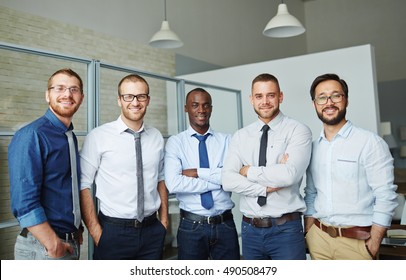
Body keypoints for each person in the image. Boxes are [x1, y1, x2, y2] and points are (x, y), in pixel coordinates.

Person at [304, 73, 398, 260]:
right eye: (322, 97)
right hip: (319, 240)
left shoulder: (370, 143)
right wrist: (309, 232)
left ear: (346, 100)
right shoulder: (313, 147)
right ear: (314, 104)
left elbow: (385, 195)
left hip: (357, 243)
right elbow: (311, 193)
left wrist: (372, 245)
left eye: (336, 95)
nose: (329, 102)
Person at [222, 73, 312, 260]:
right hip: (250, 231)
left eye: (271, 95)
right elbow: (227, 180)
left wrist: (248, 171)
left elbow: (289, 175)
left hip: (286, 230)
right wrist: (265, 187)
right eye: (259, 96)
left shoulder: (298, 130)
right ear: (251, 99)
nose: (265, 101)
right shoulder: (240, 136)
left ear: (280, 97)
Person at [80, 74, 168, 260]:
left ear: (148, 100)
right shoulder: (98, 136)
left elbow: (160, 179)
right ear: (119, 100)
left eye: (141, 96)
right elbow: (83, 184)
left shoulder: (156, 137)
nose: (135, 102)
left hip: (152, 231)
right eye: (128, 96)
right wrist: (96, 231)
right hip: (113, 232)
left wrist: (164, 222)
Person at [9, 68, 85, 260]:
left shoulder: (69, 137)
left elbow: (64, 187)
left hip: (67, 240)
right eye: (59, 88)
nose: (67, 94)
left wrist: (76, 227)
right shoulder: (32, 135)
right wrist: (52, 243)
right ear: (47, 95)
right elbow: (24, 201)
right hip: (42, 246)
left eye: (74, 89)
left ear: (81, 98)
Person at [164, 88, 240, 260]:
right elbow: (174, 183)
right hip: (191, 227)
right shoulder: (176, 143)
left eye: (206, 105)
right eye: (195, 105)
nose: (201, 110)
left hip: (225, 225)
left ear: (211, 108)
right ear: (186, 108)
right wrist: (219, 179)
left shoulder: (227, 141)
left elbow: (235, 176)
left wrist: (197, 172)